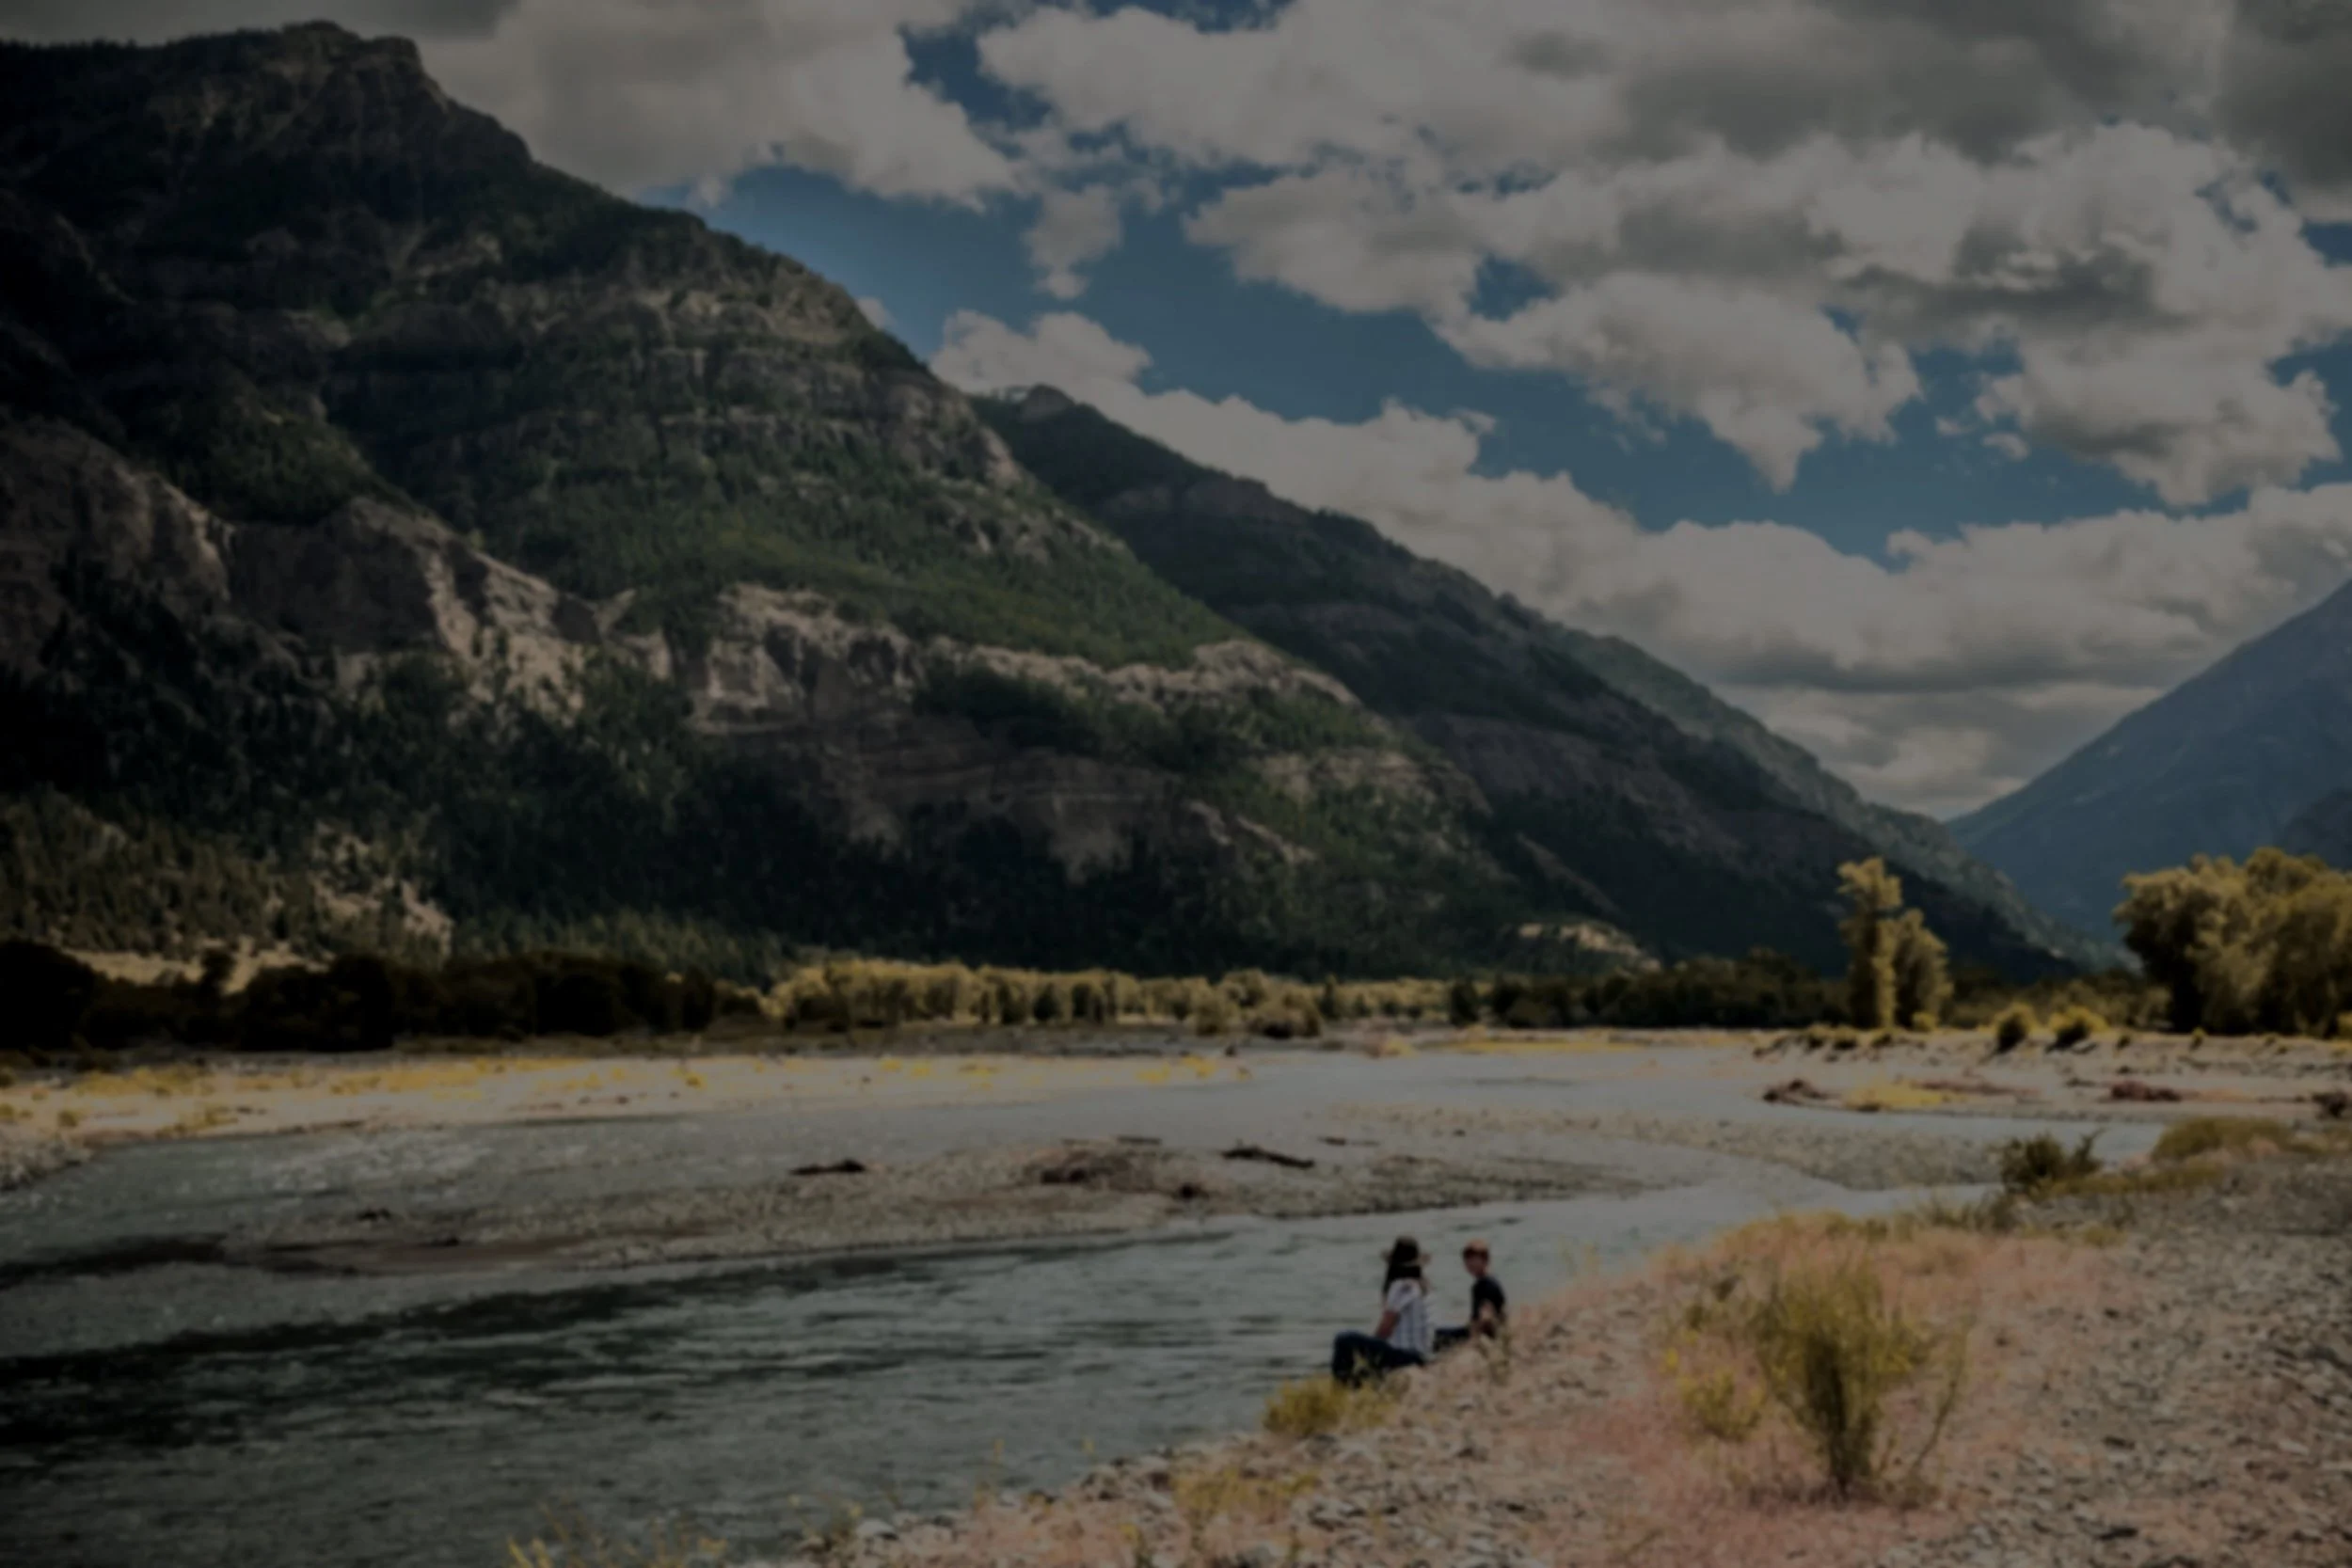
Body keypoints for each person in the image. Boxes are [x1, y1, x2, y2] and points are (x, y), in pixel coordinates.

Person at [1330, 1236, 1434, 1385]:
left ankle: (1341, 1386)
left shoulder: (1401, 1286)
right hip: (1421, 1354)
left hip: (1406, 1356)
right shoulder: (1424, 1287)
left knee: (1343, 1339)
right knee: (1366, 1365)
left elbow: (1385, 1328)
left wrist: (1371, 1349)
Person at [1434, 1237, 1506, 1353]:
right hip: (1491, 1332)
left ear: (1485, 1260)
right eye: (1467, 1260)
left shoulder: (1484, 1285)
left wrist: (1474, 1339)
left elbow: (1486, 1316)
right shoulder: (1489, 1280)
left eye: (1474, 1260)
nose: (1470, 1264)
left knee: (1437, 1335)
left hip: (1482, 1334)